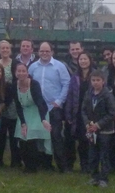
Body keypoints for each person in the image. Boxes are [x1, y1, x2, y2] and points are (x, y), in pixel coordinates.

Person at [28, 42, 70, 172]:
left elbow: (66, 83)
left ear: (52, 52)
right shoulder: (33, 67)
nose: (44, 53)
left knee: (56, 136)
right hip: (38, 108)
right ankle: (44, 164)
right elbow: (28, 83)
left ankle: (62, 166)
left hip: (54, 108)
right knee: (40, 136)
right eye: (42, 51)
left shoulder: (59, 66)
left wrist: (59, 101)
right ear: (38, 52)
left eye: (47, 51)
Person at [8, 61, 51, 173]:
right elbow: (18, 105)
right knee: (22, 138)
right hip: (24, 112)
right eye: (19, 71)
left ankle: (33, 167)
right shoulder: (14, 86)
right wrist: (23, 123)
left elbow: (40, 102)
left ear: (27, 73)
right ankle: (27, 165)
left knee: (31, 138)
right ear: (15, 73)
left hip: (38, 112)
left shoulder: (34, 84)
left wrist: (43, 119)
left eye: (23, 71)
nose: (21, 73)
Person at [82, 69, 115, 187]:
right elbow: (83, 110)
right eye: (93, 80)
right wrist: (87, 123)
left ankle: (104, 178)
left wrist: (98, 125)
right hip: (91, 130)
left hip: (105, 131)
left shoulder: (108, 95)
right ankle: (94, 176)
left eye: (98, 80)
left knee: (104, 155)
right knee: (93, 154)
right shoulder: (88, 94)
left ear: (103, 81)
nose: (95, 82)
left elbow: (112, 113)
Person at [71, 51, 94, 173]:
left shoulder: (95, 75)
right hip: (78, 113)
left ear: (90, 60)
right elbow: (70, 95)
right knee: (81, 140)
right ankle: (83, 164)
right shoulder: (75, 76)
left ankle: (92, 164)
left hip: (91, 113)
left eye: (85, 59)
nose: (83, 61)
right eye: (81, 59)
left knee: (90, 139)